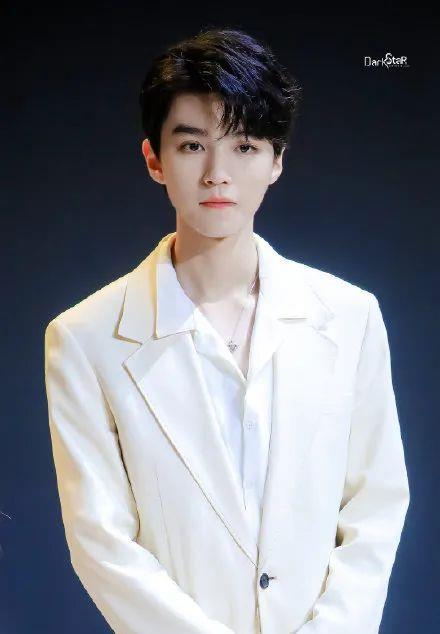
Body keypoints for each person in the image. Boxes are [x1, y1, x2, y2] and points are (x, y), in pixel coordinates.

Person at [44, 26, 410, 634]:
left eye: (244, 146)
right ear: (154, 159)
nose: (218, 173)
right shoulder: (85, 338)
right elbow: (100, 542)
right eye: (192, 145)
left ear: (276, 160)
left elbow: (375, 505)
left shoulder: (350, 317)